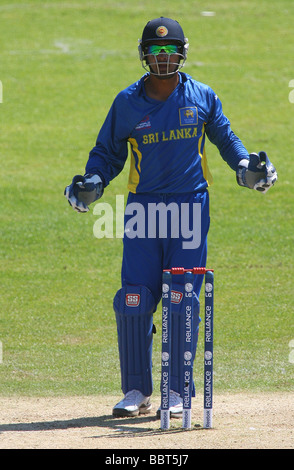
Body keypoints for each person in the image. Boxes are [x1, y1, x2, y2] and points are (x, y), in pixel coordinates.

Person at [64, 17, 277, 418]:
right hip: (143, 210)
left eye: (170, 50)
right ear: (144, 54)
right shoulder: (127, 103)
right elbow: (107, 154)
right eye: (156, 51)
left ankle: (177, 391)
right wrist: (91, 182)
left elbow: (226, 139)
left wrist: (247, 166)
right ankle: (136, 391)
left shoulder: (201, 96)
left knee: (182, 298)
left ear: (183, 52)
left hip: (189, 207)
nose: (163, 58)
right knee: (133, 300)